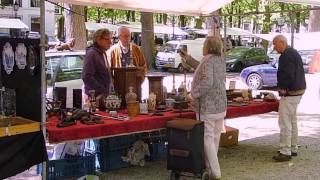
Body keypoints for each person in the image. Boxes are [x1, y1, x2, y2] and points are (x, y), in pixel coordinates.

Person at [188, 36, 227, 179]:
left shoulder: (208, 60)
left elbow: (207, 82)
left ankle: (215, 172)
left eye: (203, 45)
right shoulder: (220, 59)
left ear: (208, 47)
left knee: (208, 139)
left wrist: (193, 94)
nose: (202, 47)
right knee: (215, 138)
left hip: (208, 106)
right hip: (220, 104)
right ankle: (211, 169)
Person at [272, 35, 306, 162]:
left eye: (275, 44)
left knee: (285, 122)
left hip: (291, 93)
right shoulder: (292, 53)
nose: (274, 47)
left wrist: (282, 89)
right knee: (292, 121)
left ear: (282, 42)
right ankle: (293, 148)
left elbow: (287, 75)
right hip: (297, 91)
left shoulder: (286, 55)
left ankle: (285, 151)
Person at [82, 28, 113, 109]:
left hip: (102, 97)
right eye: (107, 39)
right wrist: (101, 90)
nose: (110, 42)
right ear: (99, 39)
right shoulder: (92, 54)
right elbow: (86, 76)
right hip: (94, 99)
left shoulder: (102, 53)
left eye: (111, 39)